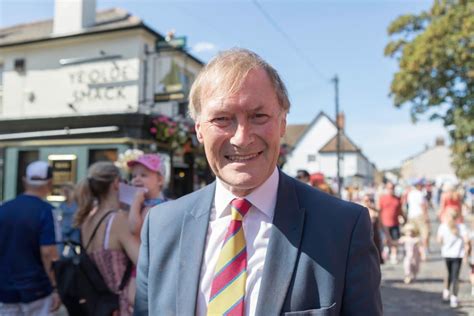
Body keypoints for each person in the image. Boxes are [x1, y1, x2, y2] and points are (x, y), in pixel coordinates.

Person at [134, 48, 382, 315]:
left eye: (258, 116)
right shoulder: (161, 226)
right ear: (199, 130)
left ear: (282, 123)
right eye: (222, 119)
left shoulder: (342, 228)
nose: (241, 137)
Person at [75, 161, 140, 315]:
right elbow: (143, 261)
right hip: (120, 305)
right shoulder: (118, 219)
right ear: (116, 183)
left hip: (98, 304)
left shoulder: (87, 219)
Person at [0, 161, 61, 315]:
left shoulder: (4, 209)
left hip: (5, 289)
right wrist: (55, 286)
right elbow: (48, 252)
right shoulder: (47, 211)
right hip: (37, 289)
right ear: (50, 183)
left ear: (24, 181)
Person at [127, 153, 167, 236]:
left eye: (143, 175)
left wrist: (136, 203)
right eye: (134, 176)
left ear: (160, 180)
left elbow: (134, 229)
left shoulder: (154, 208)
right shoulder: (144, 202)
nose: (137, 179)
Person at [437, 209, 469, 308]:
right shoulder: (461, 227)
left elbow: (439, 240)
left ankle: (446, 291)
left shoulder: (443, 226)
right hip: (457, 254)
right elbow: (467, 241)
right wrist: (466, 254)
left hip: (447, 254)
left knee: (448, 274)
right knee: (455, 276)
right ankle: (454, 298)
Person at [378, 181, 404, 264]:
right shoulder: (382, 198)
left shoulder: (398, 198)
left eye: (392, 188)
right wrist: (379, 223)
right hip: (384, 223)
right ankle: (386, 252)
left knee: (395, 240)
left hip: (395, 223)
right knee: (385, 240)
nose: (391, 189)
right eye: (389, 188)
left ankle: (393, 255)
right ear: (386, 188)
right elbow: (379, 211)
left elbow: (400, 211)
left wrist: (404, 218)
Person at [406, 180, 430, 260]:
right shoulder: (420, 194)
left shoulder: (410, 193)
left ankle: (414, 252)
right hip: (419, 216)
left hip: (411, 216)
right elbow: (422, 206)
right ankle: (424, 252)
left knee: (413, 235)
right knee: (424, 234)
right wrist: (426, 217)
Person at [57, 182, 80, 254]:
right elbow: (59, 217)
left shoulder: (78, 204)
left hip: (75, 232)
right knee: (59, 252)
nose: (65, 194)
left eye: (67, 191)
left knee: (71, 254)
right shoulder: (62, 204)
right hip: (63, 232)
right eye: (63, 192)